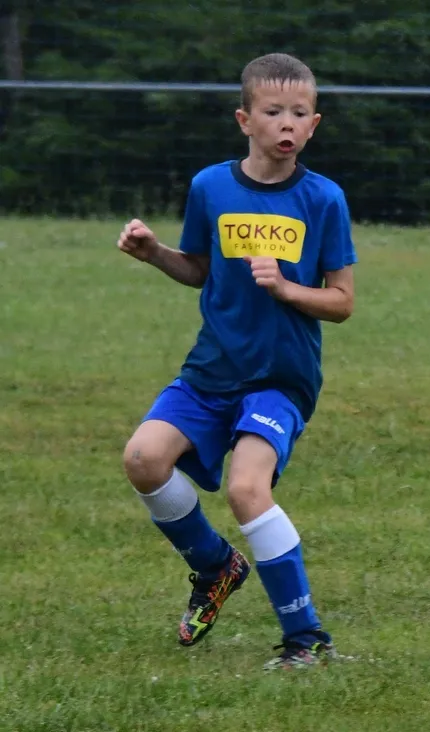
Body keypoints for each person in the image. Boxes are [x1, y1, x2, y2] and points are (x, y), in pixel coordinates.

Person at [116, 52, 357, 670]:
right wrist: (154, 253)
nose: (287, 123)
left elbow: (341, 301)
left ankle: (307, 640)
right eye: (274, 111)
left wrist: (287, 289)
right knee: (143, 459)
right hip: (211, 371)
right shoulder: (210, 187)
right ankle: (215, 566)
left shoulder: (324, 199)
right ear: (244, 120)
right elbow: (199, 270)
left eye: (299, 113)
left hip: (279, 378)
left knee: (247, 488)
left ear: (314, 125)